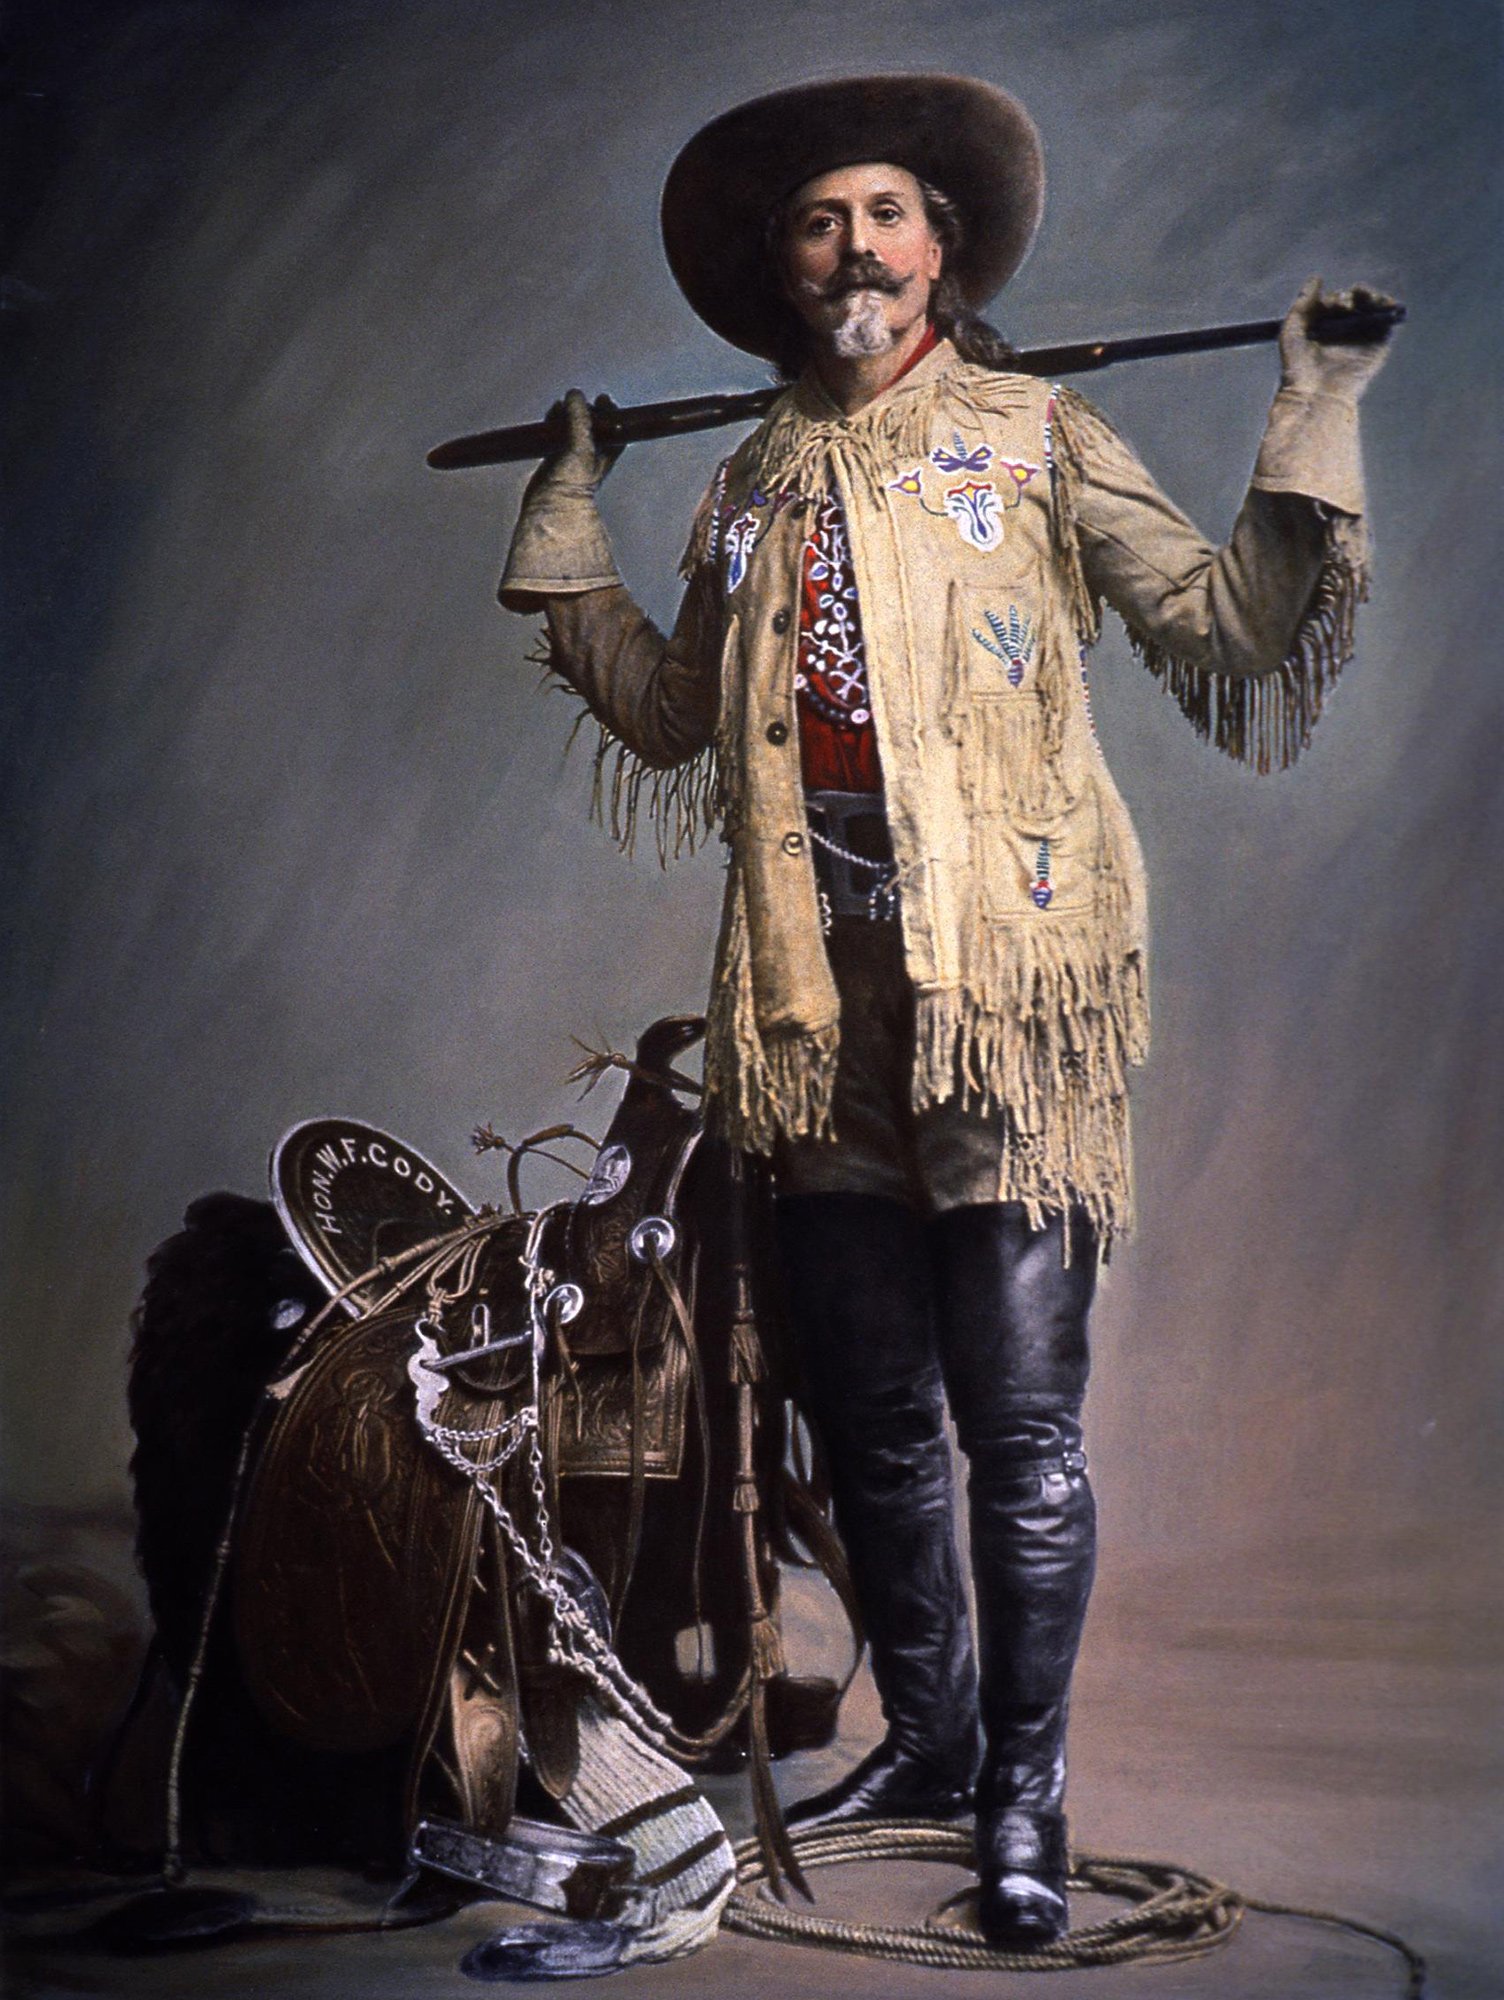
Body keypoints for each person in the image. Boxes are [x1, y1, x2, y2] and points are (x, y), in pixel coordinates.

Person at [496, 74, 1392, 1948]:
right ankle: (934, 1736)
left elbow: (1228, 625)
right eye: (821, 222)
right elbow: (670, 713)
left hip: (1008, 1003)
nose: (857, 249)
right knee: (879, 1423)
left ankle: (1026, 1803)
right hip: (812, 1012)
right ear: (782, 269)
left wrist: (1315, 402)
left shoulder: (1040, 436)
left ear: (945, 248)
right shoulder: (745, 488)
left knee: (1018, 1424)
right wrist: (571, 504)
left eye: (887, 214)